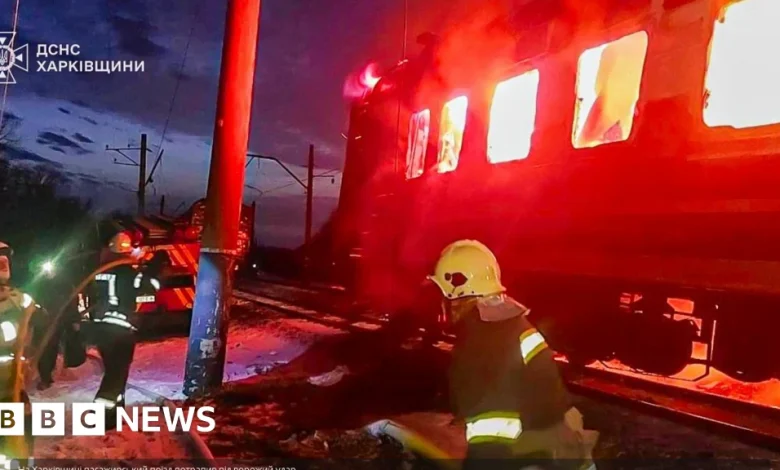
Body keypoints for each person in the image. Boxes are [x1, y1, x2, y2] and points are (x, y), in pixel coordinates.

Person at [428, 240, 598, 470]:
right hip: (566, 448)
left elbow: (491, 443)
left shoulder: (482, 346)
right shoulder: (512, 323)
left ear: (456, 294)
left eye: (442, 294)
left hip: (542, 459)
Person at [82, 233, 163, 429]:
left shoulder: (100, 272)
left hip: (101, 330)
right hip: (120, 332)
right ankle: (101, 414)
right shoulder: (128, 274)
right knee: (116, 375)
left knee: (115, 372)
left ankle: (113, 417)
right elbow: (150, 289)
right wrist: (154, 268)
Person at [0, 241, 56, 462]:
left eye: (5, 259)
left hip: (14, 385)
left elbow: (44, 320)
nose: (3, 264)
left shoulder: (20, 298)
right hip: (7, 387)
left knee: (21, 432)